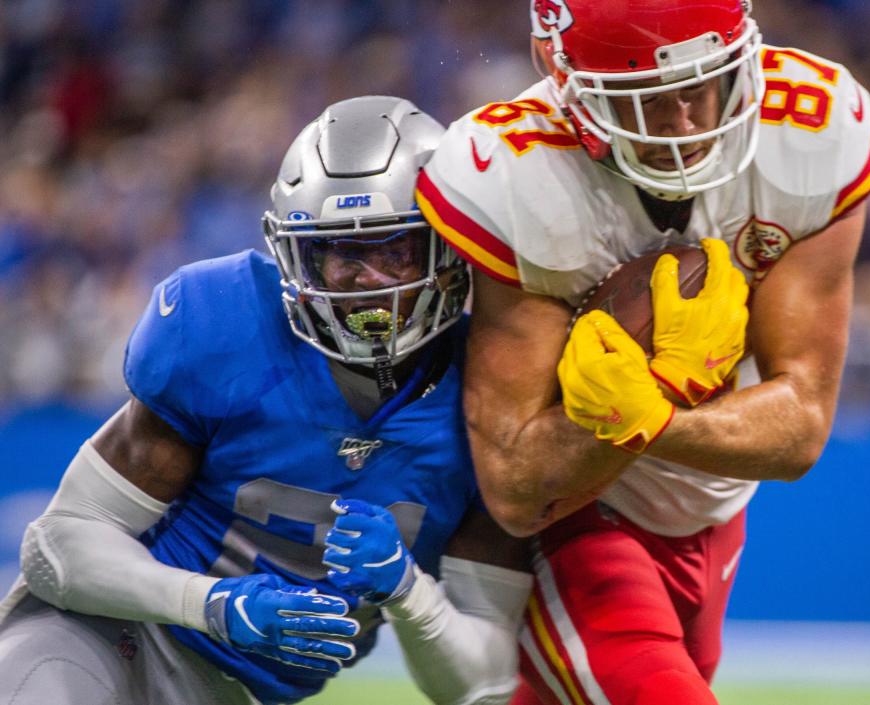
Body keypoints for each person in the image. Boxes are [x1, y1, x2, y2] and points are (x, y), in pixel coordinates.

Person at [414, 1, 870, 704]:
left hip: (715, 515)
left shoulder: (811, 128)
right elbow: (517, 487)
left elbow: (802, 425)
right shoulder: (518, 172)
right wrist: (659, 390)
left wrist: (654, 414)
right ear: (563, 76)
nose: (685, 123)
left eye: (700, 84)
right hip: (575, 522)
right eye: (648, 100)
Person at [0, 96, 532, 705]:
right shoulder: (225, 326)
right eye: (339, 255)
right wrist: (210, 603)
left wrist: (408, 592)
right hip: (114, 640)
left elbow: (484, 683)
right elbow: (57, 546)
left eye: (395, 252)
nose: (367, 283)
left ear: (448, 250)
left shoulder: (494, 391)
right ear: (294, 258)